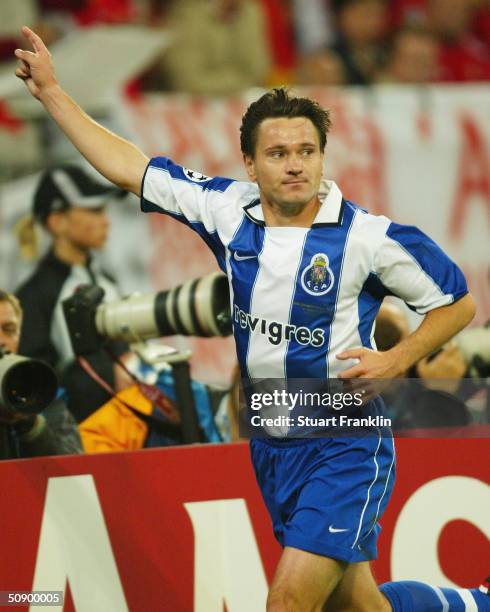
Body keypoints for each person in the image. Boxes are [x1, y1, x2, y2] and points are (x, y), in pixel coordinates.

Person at [13, 27, 489, 611]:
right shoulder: (225, 210)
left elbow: (457, 302)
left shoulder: (368, 238)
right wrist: (53, 93)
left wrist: (396, 359)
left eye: (306, 152)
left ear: (321, 156)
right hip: (271, 440)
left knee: (286, 602)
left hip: (346, 442)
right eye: (278, 153)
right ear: (250, 162)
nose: (295, 166)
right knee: (361, 607)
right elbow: (128, 168)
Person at [15, 164, 131, 423]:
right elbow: (35, 388)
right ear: (57, 222)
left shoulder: (106, 280)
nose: (106, 220)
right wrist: (110, 376)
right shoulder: (33, 296)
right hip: (79, 446)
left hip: (128, 430)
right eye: (94, 210)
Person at [0, 289, 82, 459]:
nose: (1, 340)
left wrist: (29, 422)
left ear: (19, 334)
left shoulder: (38, 391)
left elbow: (74, 469)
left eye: (9, 330)